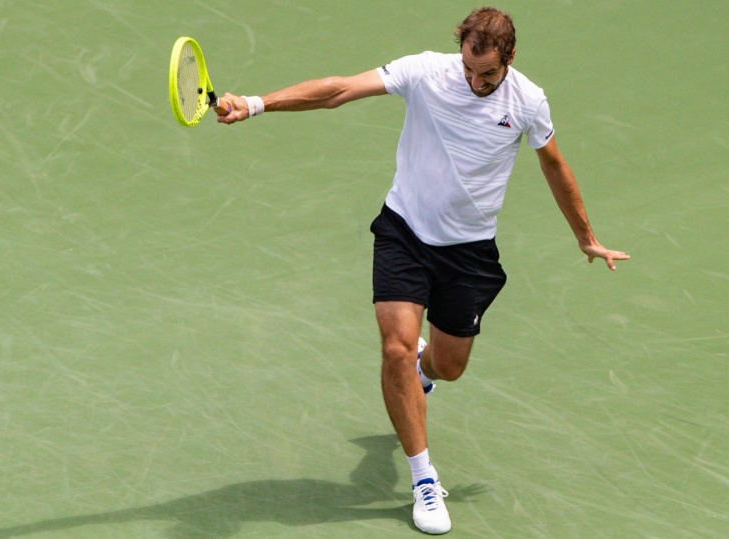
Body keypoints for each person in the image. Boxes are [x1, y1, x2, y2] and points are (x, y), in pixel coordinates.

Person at [214, 6, 629, 535]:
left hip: (470, 253)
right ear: (460, 52)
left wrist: (585, 237)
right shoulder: (425, 71)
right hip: (404, 232)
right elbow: (339, 89)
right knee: (395, 348)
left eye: (489, 75)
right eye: (470, 70)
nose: (477, 83)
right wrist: (255, 104)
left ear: (510, 59)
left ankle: (420, 376)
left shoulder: (527, 100)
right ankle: (424, 478)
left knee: (447, 365)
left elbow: (554, 164)